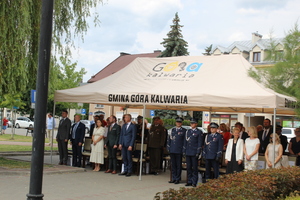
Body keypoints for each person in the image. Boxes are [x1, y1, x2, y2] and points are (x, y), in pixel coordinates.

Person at [183, 118, 203, 187]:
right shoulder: (188, 131)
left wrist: (198, 151)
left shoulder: (199, 132)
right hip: (188, 151)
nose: (192, 124)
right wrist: (184, 150)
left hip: (194, 151)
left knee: (194, 168)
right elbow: (185, 142)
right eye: (191, 123)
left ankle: (194, 181)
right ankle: (189, 181)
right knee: (188, 167)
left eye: (193, 123)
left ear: (196, 124)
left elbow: (199, 142)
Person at [167, 117, 187, 184]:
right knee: (173, 165)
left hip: (179, 149)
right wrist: (168, 147)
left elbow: (185, 141)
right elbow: (169, 139)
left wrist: (183, 149)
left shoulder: (184, 131)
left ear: (181, 123)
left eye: (180, 122)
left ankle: (178, 178)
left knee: (178, 165)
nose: (178, 123)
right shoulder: (172, 130)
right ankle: (173, 177)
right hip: (172, 149)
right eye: (177, 122)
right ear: (176, 123)